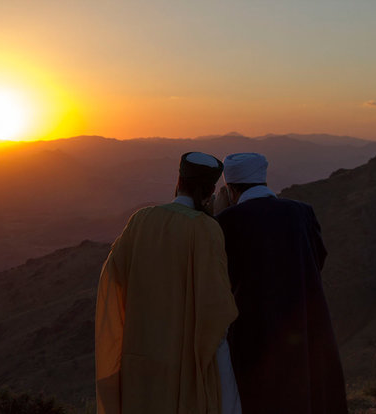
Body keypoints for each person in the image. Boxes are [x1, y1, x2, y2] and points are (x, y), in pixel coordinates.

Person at [95, 152, 240, 414]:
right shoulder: (206, 229)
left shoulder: (141, 219)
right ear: (210, 190)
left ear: (178, 180)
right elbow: (216, 309)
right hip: (181, 368)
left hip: (138, 363)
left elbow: (113, 278)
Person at [215, 153, 348, 414]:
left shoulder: (228, 220)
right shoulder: (302, 212)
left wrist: (220, 214)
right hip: (305, 322)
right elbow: (318, 259)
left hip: (254, 329)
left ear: (230, 188)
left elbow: (221, 278)